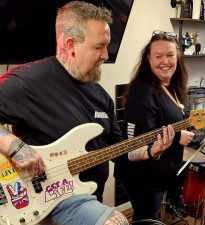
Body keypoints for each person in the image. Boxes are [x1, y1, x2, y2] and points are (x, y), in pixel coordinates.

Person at [0, 1, 133, 224]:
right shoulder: (29, 82)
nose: (105, 56)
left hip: (91, 197)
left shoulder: (101, 97)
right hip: (49, 203)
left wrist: (149, 151)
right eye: (99, 47)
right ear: (71, 44)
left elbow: (118, 149)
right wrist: (13, 146)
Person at [114, 30, 195, 223]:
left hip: (162, 171)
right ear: (148, 60)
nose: (164, 61)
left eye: (170, 55)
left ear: (177, 57)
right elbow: (139, 138)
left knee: (150, 216)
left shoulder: (173, 88)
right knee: (145, 219)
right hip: (143, 176)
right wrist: (177, 137)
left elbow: (178, 119)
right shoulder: (143, 92)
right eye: (158, 56)